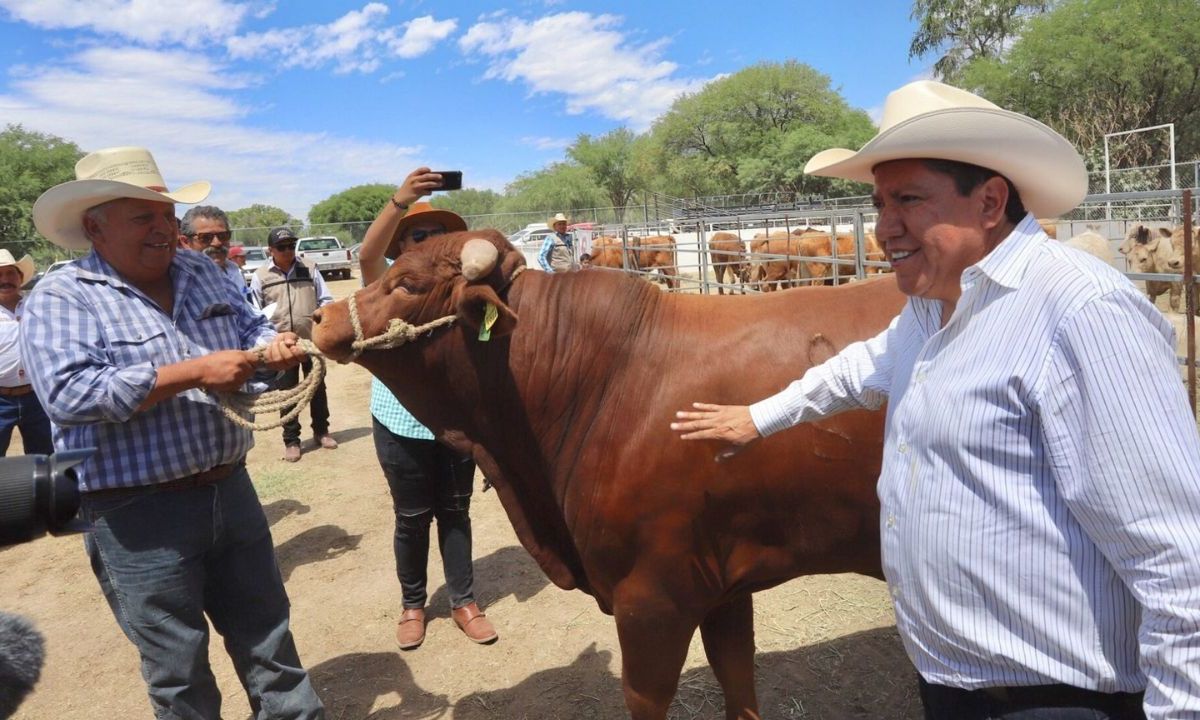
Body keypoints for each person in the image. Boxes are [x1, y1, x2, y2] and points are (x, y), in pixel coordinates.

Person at [670, 81, 1200, 720]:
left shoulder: (1082, 312)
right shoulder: (932, 304)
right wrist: (759, 417)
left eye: (908, 200)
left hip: (1055, 700)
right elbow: (863, 369)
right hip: (954, 682)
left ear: (990, 201)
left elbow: (1176, 556)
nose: (882, 228)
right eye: (878, 202)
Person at [24, 146, 325, 719]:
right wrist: (193, 372)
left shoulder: (204, 273)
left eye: (166, 214)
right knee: (178, 674)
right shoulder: (64, 296)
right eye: (144, 217)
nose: (165, 228)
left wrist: (271, 349)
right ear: (95, 226)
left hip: (230, 490)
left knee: (270, 642)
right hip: (136, 515)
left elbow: (250, 326)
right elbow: (69, 395)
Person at [357, 166, 498, 649]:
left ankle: (463, 601)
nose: (431, 242)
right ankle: (413, 605)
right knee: (412, 516)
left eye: (441, 235)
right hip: (399, 420)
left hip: (455, 421)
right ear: (402, 244)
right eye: (419, 234)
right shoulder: (387, 282)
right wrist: (399, 200)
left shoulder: (460, 290)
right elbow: (367, 254)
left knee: (456, 511)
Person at [250, 227, 337, 462]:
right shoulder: (261, 276)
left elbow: (326, 299)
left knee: (317, 388)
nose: (288, 251)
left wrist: (321, 324)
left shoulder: (309, 268)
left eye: (291, 245)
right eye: (282, 247)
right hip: (282, 348)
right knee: (288, 394)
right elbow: (254, 313)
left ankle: (322, 431)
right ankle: (292, 441)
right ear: (271, 251)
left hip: (310, 343)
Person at [0, 250, 51, 456]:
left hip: (37, 397)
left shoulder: (37, 307)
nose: (5, 280)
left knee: (45, 458)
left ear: (20, 277)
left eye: (10, 273)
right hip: (1, 399)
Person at [181, 205, 250, 301]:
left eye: (223, 235)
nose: (217, 243)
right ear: (186, 242)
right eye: (205, 237)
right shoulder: (180, 282)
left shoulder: (234, 271)